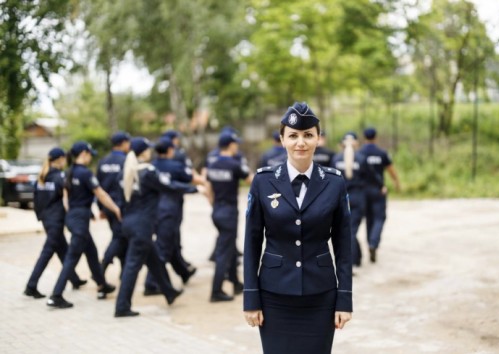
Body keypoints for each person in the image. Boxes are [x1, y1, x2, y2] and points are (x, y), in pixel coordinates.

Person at [243, 102, 352, 354]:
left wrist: (344, 299)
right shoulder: (263, 181)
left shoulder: (334, 183)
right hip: (274, 296)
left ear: (318, 139)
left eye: (307, 135)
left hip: (320, 295)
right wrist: (251, 298)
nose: (300, 142)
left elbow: (344, 245)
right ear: (282, 139)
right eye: (293, 135)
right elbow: (251, 242)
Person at [114, 137, 196, 317]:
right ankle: (122, 306)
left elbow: (120, 200)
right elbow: (169, 186)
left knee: (154, 259)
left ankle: (169, 292)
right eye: (147, 149)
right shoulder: (147, 172)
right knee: (132, 265)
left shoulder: (125, 172)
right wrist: (194, 189)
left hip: (129, 223)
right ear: (143, 152)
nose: (150, 151)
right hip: (142, 226)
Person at [47, 141, 120, 309]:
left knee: (92, 253)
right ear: (84, 154)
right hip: (80, 219)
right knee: (72, 258)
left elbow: (66, 198)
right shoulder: (86, 174)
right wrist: (115, 209)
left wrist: (74, 214)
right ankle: (56, 295)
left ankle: (102, 284)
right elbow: (101, 194)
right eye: (89, 155)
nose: (90, 158)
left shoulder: (68, 172)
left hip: (73, 216)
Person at [24, 148, 86, 299]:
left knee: (63, 249)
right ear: (59, 159)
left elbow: (36, 200)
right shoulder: (59, 176)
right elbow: (66, 197)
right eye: (64, 158)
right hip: (56, 220)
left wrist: (41, 216)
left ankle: (74, 279)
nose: (65, 160)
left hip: (46, 219)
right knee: (47, 252)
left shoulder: (42, 176)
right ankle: (31, 286)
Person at [143, 138, 203, 295]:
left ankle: (184, 272)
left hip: (154, 211)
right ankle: (151, 283)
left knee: (172, 244)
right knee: (163, 247)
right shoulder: (176, 166)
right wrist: (200, 187)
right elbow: (190, 180)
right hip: (169, 212)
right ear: (170, 150)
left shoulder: (151, 167)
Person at [207, 131, 252, 302]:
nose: (237, 146)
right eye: (236, 144)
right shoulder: (234, 165)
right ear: (231, 145)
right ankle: (216, 290)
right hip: (229, 212)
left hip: (217, 210)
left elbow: (208, 187)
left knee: (230, 246)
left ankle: (235, 282)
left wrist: (214, 205)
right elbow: (251, 180)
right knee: (223, 253)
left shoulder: (213, 164)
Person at [358, 127, 400, 263]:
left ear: (364, 138)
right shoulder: (382, 153)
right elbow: (390, 169)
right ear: (376, 138)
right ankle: (373, 244)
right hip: (378, 190)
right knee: (379, 218)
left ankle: (370, 243)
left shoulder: (359, 154)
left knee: (369, 219)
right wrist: (396, 182)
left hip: (363, 191)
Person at [97, 131, 131, 278]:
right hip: (120, 207)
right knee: (119, 238)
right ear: (123, 143)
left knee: (121, 238)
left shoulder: (103, 161)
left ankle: (123, 272)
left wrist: (101, 208)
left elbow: (98, 187)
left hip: (107, 206)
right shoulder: (126, 161)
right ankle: (102, 267)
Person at [331, 132, 366, 267]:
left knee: (347, 230)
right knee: (352, 230)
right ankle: (353, 260)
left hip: (341, 198)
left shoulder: (335, 159)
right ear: (356, 143)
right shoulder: (362, 159)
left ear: (341, 145)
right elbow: (368, 179)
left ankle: (355, 258)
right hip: (357, 197)